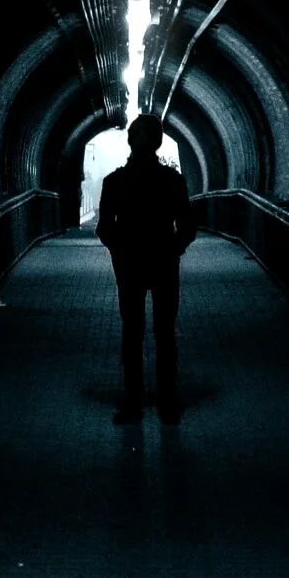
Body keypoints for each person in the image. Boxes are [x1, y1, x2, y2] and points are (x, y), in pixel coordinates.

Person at [95, 114, 196, 425]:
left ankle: (134, 404)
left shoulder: (115, 182)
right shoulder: (173, 181)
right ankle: (167, 403)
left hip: (131, 266)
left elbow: (104, 228)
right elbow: (188, 226)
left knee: (133, 333)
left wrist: (119, 251)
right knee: (164, 334)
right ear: (158, 142)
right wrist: (173, 248)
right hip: (164, 264)